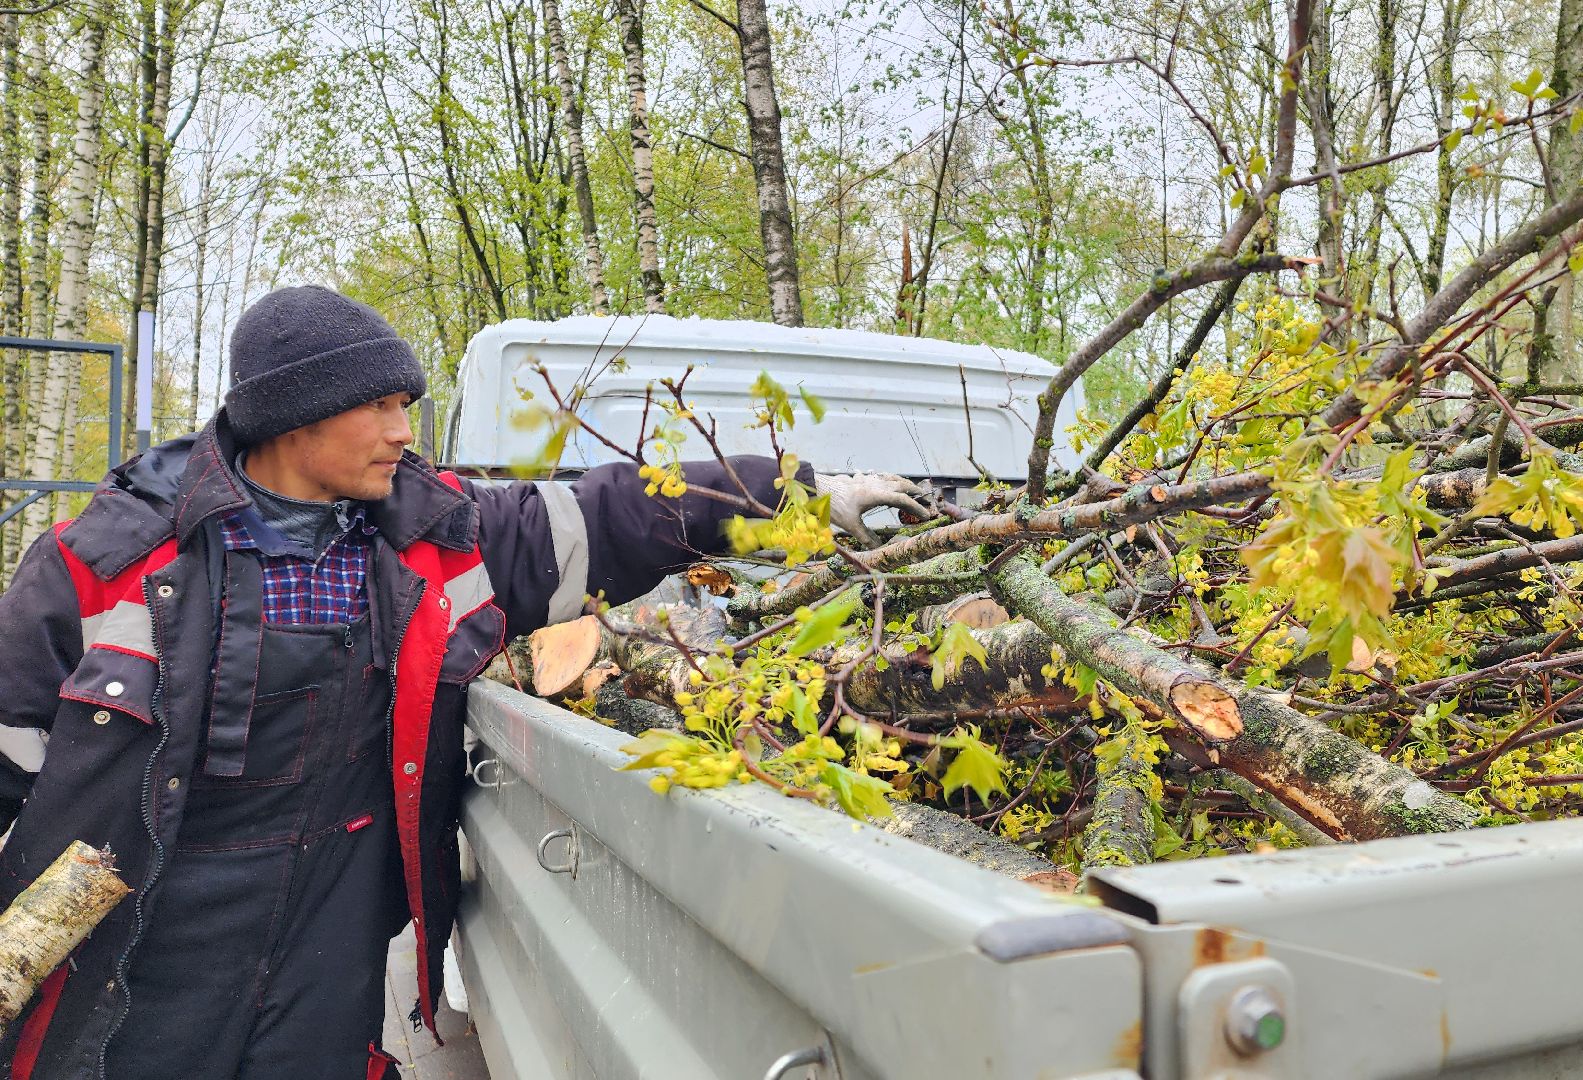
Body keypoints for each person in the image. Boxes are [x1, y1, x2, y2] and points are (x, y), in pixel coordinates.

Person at [0, 286, 928, 1079]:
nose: (405, 432)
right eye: (380, 408)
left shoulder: (435, 536)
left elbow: (604, 512)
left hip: (335, 912)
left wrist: (793, 493)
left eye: (409, 403)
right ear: (293, 417)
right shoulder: (107, 563)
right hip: (151, 922)